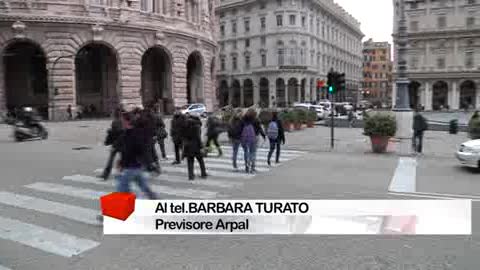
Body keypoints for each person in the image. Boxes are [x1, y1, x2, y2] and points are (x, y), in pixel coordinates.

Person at [114, 111, 157, 199]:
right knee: (145, 188)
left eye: (122, 121)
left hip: (131, 167)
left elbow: (130, 151)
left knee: (122, 189)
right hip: (137, 166)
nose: (121, 123)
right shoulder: (130, 133)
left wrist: (121, 164)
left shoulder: (132, 134)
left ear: (127, 121)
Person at [98, 108, 123, 181]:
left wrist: (109, 132)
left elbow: (113, 133)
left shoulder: (115, 122)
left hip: (116, 144)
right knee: (121, 159)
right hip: (122, 143)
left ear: (115, 114)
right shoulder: (123, 121)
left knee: (111, 159)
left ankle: (106, 174)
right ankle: (119, 173)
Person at [240, 109, 266, 174]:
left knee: (246, 152)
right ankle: (252, 168)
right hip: (255, 137)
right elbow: (260, 128)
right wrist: (264, 136)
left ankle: (247, 167)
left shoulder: (243, 119)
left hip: (244, 137)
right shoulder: (256, 119)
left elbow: (240, 128)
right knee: (253, 152)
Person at [182, 115, 207, 181]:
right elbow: (198, 138)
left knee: (190, 161)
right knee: (200, 160)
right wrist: (201, 146)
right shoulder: (197, 126)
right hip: (196, 146)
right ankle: (203, 174)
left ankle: (191, 176)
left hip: (188, 146)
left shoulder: (185, 125)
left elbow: (183, 137)